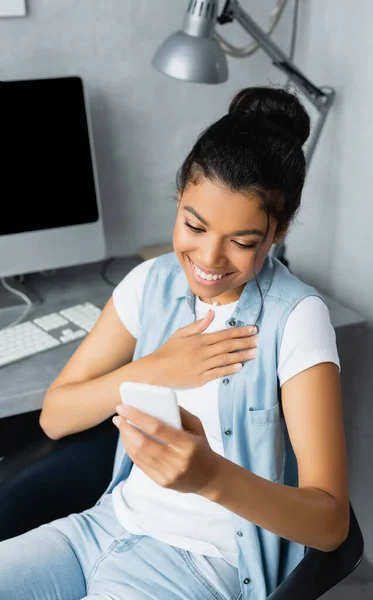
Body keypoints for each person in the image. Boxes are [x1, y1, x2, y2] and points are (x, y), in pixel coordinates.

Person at [0, 86, 350, 600]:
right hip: (102, 529)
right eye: (193, 224)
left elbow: (330, 524)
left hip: (199, 565)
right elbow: (56, 415)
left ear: (278, 232)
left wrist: (210, 475)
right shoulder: (151, 283)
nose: (209, 258)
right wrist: (156, 368)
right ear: (180, 200)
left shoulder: (297, 319)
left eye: (243, 241)